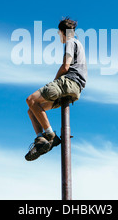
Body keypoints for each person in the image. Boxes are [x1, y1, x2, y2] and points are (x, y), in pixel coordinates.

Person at [25, 17, 87, 161]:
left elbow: (66, 66)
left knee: (30, 99)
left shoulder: (71, 42)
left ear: (61, 32)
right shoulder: (79, 44)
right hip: (76, 88)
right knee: (32, 110)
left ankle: (50, 136)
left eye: (58, 33)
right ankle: (41, 140)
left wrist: (55, 82)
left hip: (69, 82)